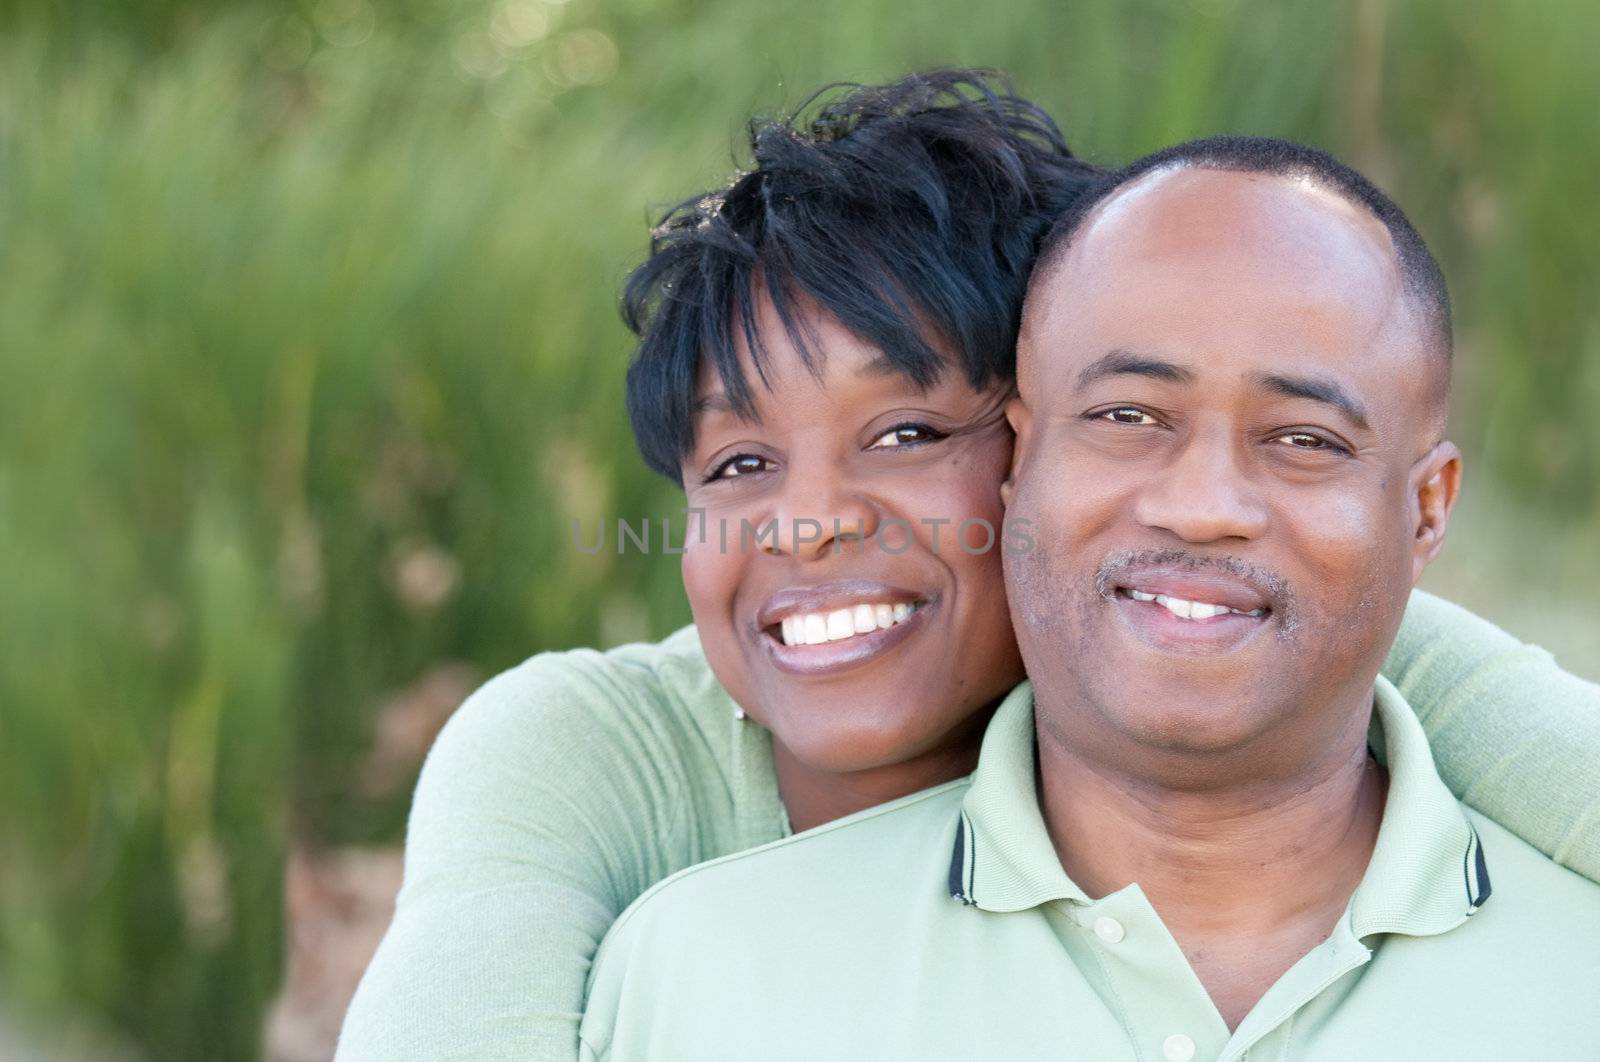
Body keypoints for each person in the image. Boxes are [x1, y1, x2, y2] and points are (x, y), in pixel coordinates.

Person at [337, 75, 1600, 1060]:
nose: (804, 526)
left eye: (904, 435)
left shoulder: (1234, 624)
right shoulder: (600, 768)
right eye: (736, 466)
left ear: (1028, 451)